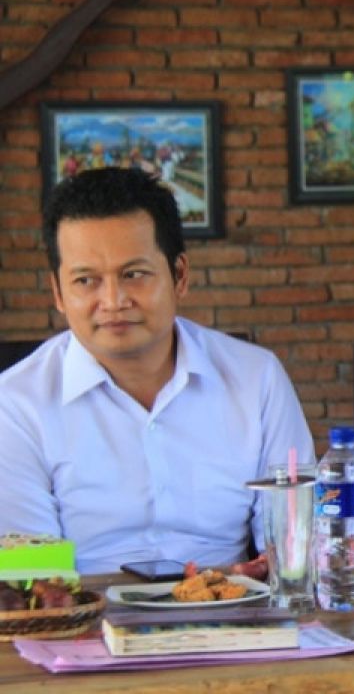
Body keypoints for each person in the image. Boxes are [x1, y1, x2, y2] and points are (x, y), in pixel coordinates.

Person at [0, 168, 315, 573]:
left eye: (134, 274)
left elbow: (296, 543)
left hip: (232, 613)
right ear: (59, 293)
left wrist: (265, 571)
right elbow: (32, 577)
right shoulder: (15, 403)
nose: (113, 301)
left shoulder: (257, 378)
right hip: (83, 622)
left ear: (179, 276)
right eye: (86, 280)